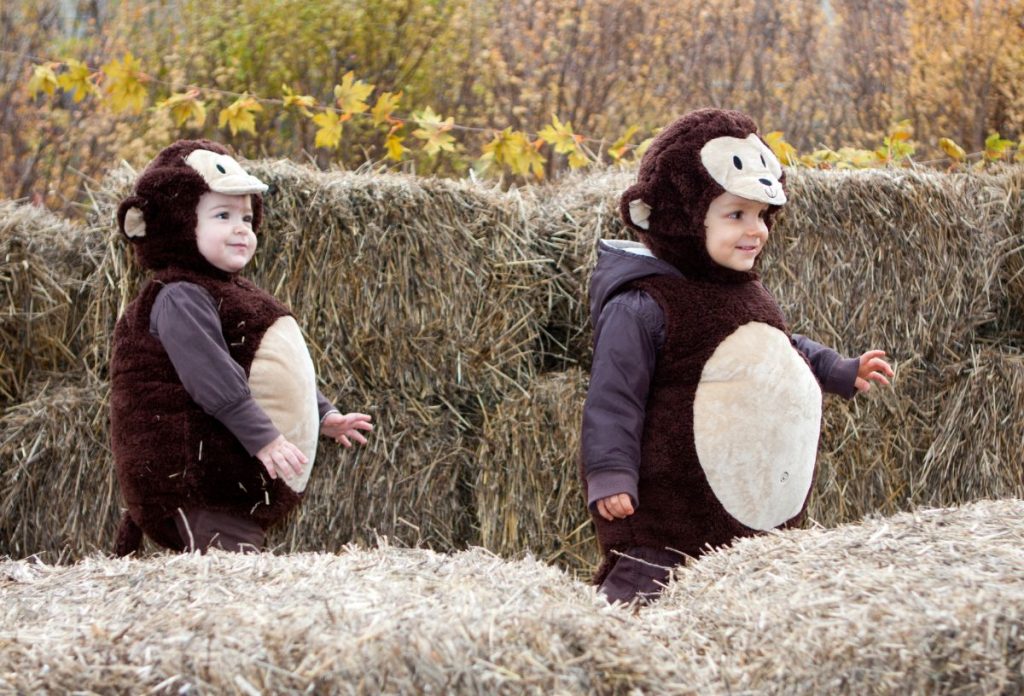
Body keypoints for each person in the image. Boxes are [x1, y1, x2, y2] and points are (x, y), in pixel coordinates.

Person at [580, 109, 893, 604]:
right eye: (736, 215)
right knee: (643, 597)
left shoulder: (744, 293)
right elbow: (613, 399)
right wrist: (610, 473)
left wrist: (838, 369)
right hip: (669, 512)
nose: (758, 230)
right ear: (681, 219)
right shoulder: (643, 305)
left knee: (738, 612)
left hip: (745, 520)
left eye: (762, 215)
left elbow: (777, 351)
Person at [110, 139, 373, 556]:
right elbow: (210, 374)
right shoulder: (180, 295)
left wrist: (322, 414)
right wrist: (264, 438)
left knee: (235, 563)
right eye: (222, 215)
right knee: (229, 573)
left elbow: (267, 367)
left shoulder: (229, 293)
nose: (241, 229)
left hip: (222, 481)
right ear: (178, 221)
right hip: (195, 477)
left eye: (248, 218)